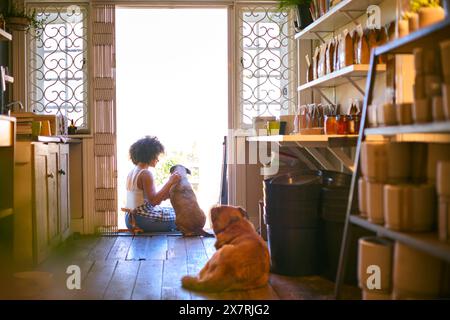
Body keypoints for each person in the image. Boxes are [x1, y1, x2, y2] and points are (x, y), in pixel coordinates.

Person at [123, 136, 181, 233]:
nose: (158, 159)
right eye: (156, 156)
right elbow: (154, 201)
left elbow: (145, 199)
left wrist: (166, 195)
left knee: (171, 210)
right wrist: (170, 181)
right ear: (149, 155)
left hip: (129, 219)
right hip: (142, 220)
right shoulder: (145, 173)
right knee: (181, 216)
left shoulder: (133, 172)